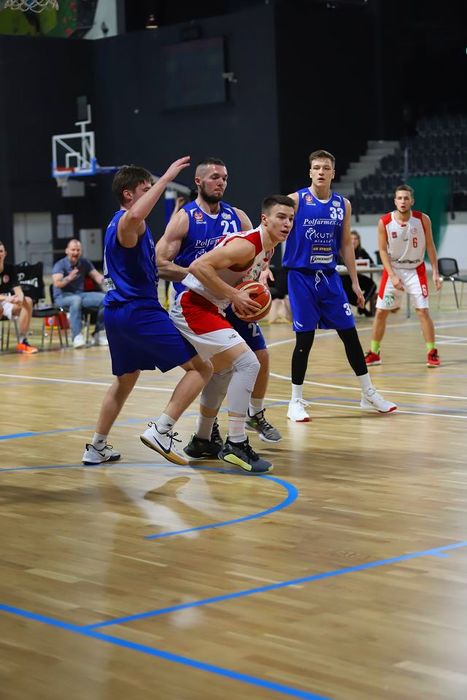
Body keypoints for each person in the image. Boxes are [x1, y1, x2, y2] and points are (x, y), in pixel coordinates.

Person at [81, 158, 212, 467]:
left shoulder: (127, 225)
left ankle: (96, 447)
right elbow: (137, 214)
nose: (152, 192)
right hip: (138, 310)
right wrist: (166, 177)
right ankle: (161, 430)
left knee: (126, 379)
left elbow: (155, 267)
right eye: (146, 189)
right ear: (128, 194)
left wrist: (197, 278)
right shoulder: (129, 222)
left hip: (117, 313)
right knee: (202, 368)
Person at [156, 157, 282, 456]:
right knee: (222, 367)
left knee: (259, 355)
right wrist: (203, 276)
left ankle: (252, 415)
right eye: (214, 177)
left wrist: (260, 275)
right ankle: (213, 433)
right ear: (199, 181)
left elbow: (256, 248)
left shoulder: (237, 216)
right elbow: (159, 263)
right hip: (198, 300)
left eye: (224, 177)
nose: (221, 182)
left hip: (230, 298)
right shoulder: (185, 218)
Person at [169, 194, 296, 473]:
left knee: (223, 370)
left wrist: (246, 292)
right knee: (249, 363)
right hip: (192, 304)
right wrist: (234, 295)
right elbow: (198, 266)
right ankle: (236, 443)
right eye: (281, 217)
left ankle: (202, 440)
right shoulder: (247, 245)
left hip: (211, 307)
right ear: (265, 219)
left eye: (290, 218)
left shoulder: (269, 248)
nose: (287, 223)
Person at [282, 149, 397, 422]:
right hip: (301, 277)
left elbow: (346, 243)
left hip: (330, 277)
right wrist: (262, 268)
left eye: (326, 168)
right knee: (305, 339)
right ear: (310, 172)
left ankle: (368, 393)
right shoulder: (294, 200)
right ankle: (295, 400)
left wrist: (355, 282)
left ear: (333, 173)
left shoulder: (342, 204)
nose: (321, 172)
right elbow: (273, 232)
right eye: (316, 167)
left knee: (350, 334)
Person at [365, 184, 441, 368]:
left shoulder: (423, 220)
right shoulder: (385, 222)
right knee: (381, 312)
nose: (403, 201)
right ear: (395, 201)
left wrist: (435, 272)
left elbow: (430, 245)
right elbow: (382, 251)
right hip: (394, 269)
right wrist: (392, 275)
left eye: (406, 198)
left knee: (423, 311)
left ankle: (432, 352)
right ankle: (374, 353)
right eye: (399, 198)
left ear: (412, 201)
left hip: (416, 270)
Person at [52, 239, 108, 348]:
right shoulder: (60, 264)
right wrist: (69, 277)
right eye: (73, 250)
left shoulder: (84, 262)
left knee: (106, 299)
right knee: (75, 300)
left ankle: (99, 333)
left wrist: (110, 282)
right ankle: (76, 336)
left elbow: (97, 276)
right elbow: (57, 283)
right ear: (67, 251)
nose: (76, 252)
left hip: (79, 295)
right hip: (62, 297)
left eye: (78, 250)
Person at [0, 240, 38, 353]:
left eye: (1, 251)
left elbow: (18, 290)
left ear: (5, 253)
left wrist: (20, 299)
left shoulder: (10, 268)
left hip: (7, 301)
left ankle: (22, 342)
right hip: (4, 300)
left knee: (28, 301)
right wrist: (7, 298)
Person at [339, 230, 377, 317]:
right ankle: (360, 307)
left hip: (356, 277)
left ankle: (361, 306)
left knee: (372, 285)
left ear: (359, 241)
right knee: (347, 288)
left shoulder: (361, 251)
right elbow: (339, 265)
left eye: (356, 239)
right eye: (351, 238)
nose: (353, 241)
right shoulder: (343, 251)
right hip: (345, 277)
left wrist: (362, 263)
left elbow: (371, 263)